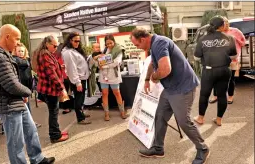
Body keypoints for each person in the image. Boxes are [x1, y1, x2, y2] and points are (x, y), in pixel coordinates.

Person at [130, 27, 209, 164]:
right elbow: (152, 64)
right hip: (171, 88)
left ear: (143, 39)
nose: (137, 47)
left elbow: (165, 70)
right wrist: (148, 79)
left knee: (184, 121)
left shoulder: (159, 43)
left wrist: (155, 76)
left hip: (183, 87)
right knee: (160, 116)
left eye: (137, 44)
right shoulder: (154, 45)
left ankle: (203, 148)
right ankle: (158, 148)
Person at [0, 24, 55, 164]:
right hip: (8, 106)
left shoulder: (3, 55)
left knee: (31, 131)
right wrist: (28, 92)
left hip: (14, 102)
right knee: (16, 143)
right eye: (17, 39)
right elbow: (12, 85)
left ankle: (37, 158)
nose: (18, 43)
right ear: (7, 37)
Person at [193, 16, 237, 126]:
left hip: (209, 71)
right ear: (221, 26)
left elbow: (196, 57)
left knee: (204, 95)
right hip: (224, 70)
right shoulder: (229, 38)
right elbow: (234, 55)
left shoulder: (203, 39)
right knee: (222, 95)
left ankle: (200, 118)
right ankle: (219, 120)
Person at [34, 35, 69, 143]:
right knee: (53, 112)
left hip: (49, 88)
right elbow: (51, 74)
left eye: (57, 46)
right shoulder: (45, 54)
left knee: (54, 112)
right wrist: (62, 88)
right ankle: (55, 135)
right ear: (47, 44)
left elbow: (51, 69)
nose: (56, 47)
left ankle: (56, 132)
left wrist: (59, 67)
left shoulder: (46, 53)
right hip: (50, 89)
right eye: (54, 45)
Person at [209, 16, 246, 104]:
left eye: (226, 23)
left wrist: (236, 41)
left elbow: (243, 42)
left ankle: (230, 96)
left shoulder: (235, 31)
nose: (225, 25)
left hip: (232, 59)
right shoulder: (217, 32)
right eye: (223, 24)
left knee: (230, 79)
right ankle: (215, 95)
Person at [93, 34, 128, 121]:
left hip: (114, 75)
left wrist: (104, 66)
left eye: (110, 43)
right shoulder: (104, 50)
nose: (109, 45)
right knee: (104, 93)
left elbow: (116, 62)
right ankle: (106, 113)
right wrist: (99, 64)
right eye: (107, 43)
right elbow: (98, 62)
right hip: (103, 75)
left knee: (117, 93)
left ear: (114, 41)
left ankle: (122, 111)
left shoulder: (118, 50)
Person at [61, 33, 92, 125]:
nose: (78, 43)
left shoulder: (73, 50)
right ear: (70, 40)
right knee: (78, 98)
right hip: (77, 79)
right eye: (76, 41)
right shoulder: (68, 52)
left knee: (81, 97)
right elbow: (72, 68)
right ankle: (80, 118)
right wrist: (78, 82)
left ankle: (81, 113)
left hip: (81, 77)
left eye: (79, 41)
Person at [12, 43, 41, 128]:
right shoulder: (16, 59)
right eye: (19, 51)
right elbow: (25, 64)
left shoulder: (25, 60)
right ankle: (30, 124)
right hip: (21, 87)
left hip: (26, 87)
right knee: (25, 107)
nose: (20, 52)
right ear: (15, 52)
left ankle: (30, 123)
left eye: (22, 51)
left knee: (27, 107)